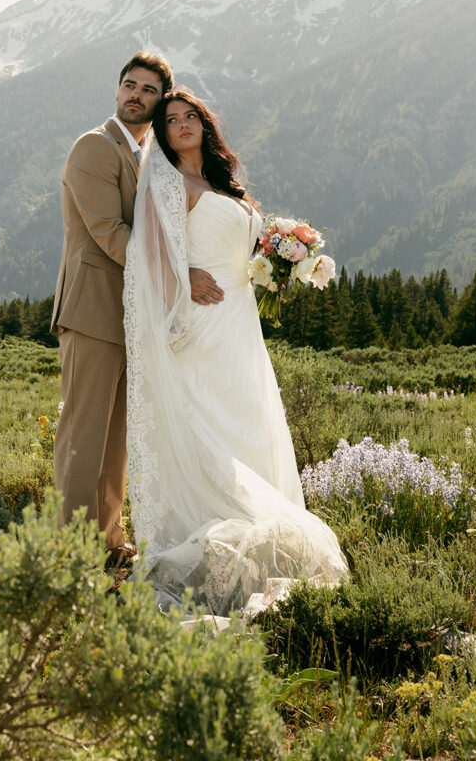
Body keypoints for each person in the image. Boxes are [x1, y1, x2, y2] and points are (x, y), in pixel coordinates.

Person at [123, 89, 348, 612]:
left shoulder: (221, 183)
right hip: (204, 317)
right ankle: (211, 529)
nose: (181, 125)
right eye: (171, 120)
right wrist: (186, 276)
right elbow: (149, 249)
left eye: (190, 117)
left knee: (249, 419)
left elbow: (241, 247)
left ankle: (261, 532)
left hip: (242, 321)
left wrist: (286, 258)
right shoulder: (169, 181)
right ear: (162, 133)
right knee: (212, 423)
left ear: (204, 123)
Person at [51, 54, 222, 567]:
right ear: (117, 88)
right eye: (129, 85)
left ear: (159, 100)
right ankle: (69, 553)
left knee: (118, 439)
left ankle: (107, 540)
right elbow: (110, 233)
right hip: (92, 310)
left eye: (148, 90)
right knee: (84, 434)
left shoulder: (150, 155)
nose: (135, 95)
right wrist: (180, 274)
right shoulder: (94, 149)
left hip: (133, 313)